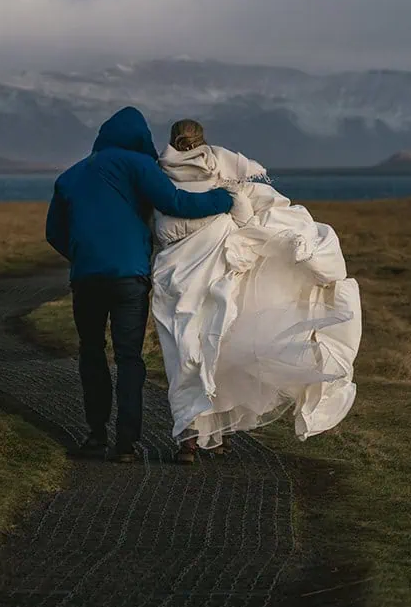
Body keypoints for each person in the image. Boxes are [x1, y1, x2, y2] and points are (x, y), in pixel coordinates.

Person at [151, 118, 362, 465]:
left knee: (184, 357)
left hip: (176, 282)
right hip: (215, 279)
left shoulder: (157, 185)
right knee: (213, 351)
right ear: (203, 143)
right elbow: (247, 223)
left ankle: (191, 440)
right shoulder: (226, 181)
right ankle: (211, 438)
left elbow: (155, 233)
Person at [46, 106, 234, 463]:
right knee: (129, 357)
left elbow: (53, 231)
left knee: (91, 353)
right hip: (128, 277)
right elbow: (173, 202)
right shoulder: (137, 165)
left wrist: (82, 255)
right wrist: (221, 199)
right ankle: (127, 444)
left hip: (86, 278)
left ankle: (96, 435)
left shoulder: (71, 175)